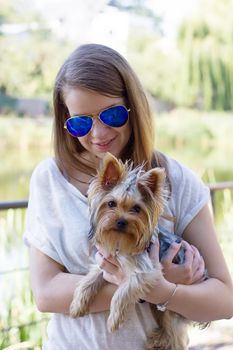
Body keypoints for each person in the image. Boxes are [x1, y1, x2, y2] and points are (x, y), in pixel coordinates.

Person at [24, 43, 233, 350]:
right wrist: (147, 282)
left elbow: (225, 300)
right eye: (81, 122)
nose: (98, 134)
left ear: (133, 106)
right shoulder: (49, 180)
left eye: (112, 115)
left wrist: (161, 290)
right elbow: (45, 294)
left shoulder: (177, 179)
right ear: (65, 121)